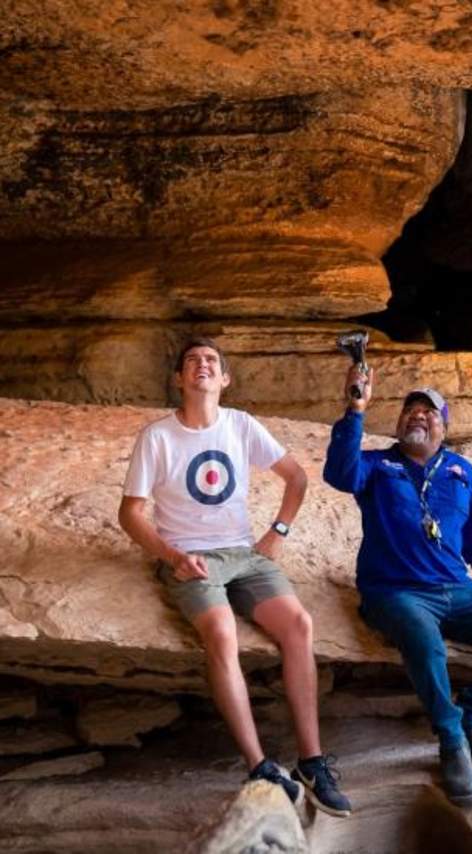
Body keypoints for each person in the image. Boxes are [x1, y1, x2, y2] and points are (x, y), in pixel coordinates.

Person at [118, 336, 351, 817]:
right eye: (191, 362)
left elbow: (297, 477)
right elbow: (131, 513)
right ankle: (259, 763)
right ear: (179, 379)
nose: (201, 366)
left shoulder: (241, 425)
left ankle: (311, 760)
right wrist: (171, 555)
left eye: (211, 362)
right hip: (192, 559)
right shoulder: (157, 436)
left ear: (225, 379)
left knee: (299, 626)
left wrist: (277, 532)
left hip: (245, 555)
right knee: (222, 634)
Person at [323, 364, 472, 808]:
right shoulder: (376, 464)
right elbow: (340, 475)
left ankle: (471, 716)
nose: (418, 417)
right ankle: (452, 742)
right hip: (395, 591)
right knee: (426, 643)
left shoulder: (461, 470)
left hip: (456, 588)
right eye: (410, 411)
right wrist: (356, 408)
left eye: (429, 413)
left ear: (445, 427)